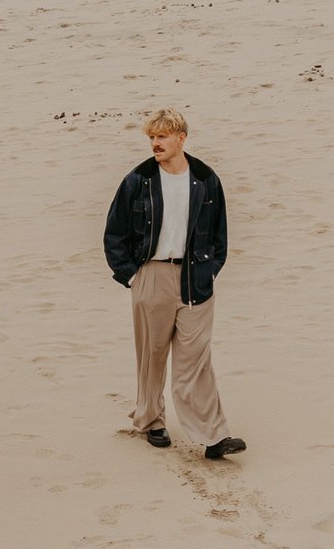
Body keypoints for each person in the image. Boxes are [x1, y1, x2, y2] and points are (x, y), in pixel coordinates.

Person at [102, 109, 246, 461]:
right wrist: (133, 276)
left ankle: (213, 437)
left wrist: (209, 270)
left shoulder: (206, 179)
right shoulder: (138, 180)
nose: (155, 143)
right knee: (152, 356)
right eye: (152, 137)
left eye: (162, 136)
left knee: (196, 360)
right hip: (151, 274)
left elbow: (219, 235)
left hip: (195, 278)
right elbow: (114, 233)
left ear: (181, 138)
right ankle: (152, 420)